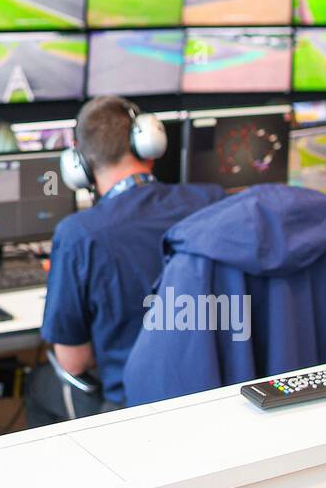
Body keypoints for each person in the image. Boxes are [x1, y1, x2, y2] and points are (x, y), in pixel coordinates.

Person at [25, 96, 225, 427]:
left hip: (132, 409)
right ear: (148, 143)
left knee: (38, 385)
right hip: (212, 394)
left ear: (79, 164)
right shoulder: (211, 201)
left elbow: (73, 361)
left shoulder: (78, 235)